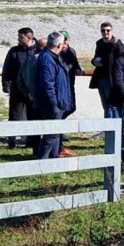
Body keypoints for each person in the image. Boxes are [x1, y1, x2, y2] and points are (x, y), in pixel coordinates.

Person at [33, 32, 73, 159]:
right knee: (51, 134)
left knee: (55, 133)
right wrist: (54, 104)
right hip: (51, 103)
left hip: (58, 102)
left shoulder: (52, 57)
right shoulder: (47, 59)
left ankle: (53, 157)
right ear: (59, 45)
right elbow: (47, 85)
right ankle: (43, 160)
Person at [1, 27, 36, 149]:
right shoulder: (14, 51)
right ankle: (11, 142)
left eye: (21, 37)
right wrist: (6, 85)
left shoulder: (38, 51)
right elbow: (6, 69)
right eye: (18, 37)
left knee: (33, 116)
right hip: (17, 90)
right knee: (14, 116)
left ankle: (31, 142)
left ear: (29, 38)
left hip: (33, 91)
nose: (19, 40)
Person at [56, 30, 84, 158]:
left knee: (71, 108)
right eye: (62, 40)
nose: (64, 42)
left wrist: (80, 71)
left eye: (66, 39)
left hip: (70, 85)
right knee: (59, 114)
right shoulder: (55, 52)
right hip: (60, 88)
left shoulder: (71, 51)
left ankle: (58, 133)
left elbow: (76, 67)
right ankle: (58, 144)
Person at [90, 22, 120, 119]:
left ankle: (115, 130)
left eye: (108, 30)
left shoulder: (117, 45)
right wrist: (95, 62)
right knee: (106, 106)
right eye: (103, 30)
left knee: (113, 106)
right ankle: (107, 130)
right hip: (100, 78)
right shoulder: (99, 43)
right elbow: (95, 58)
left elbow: (120, 63)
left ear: (112, 31)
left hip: (111, 80)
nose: (105, 32)